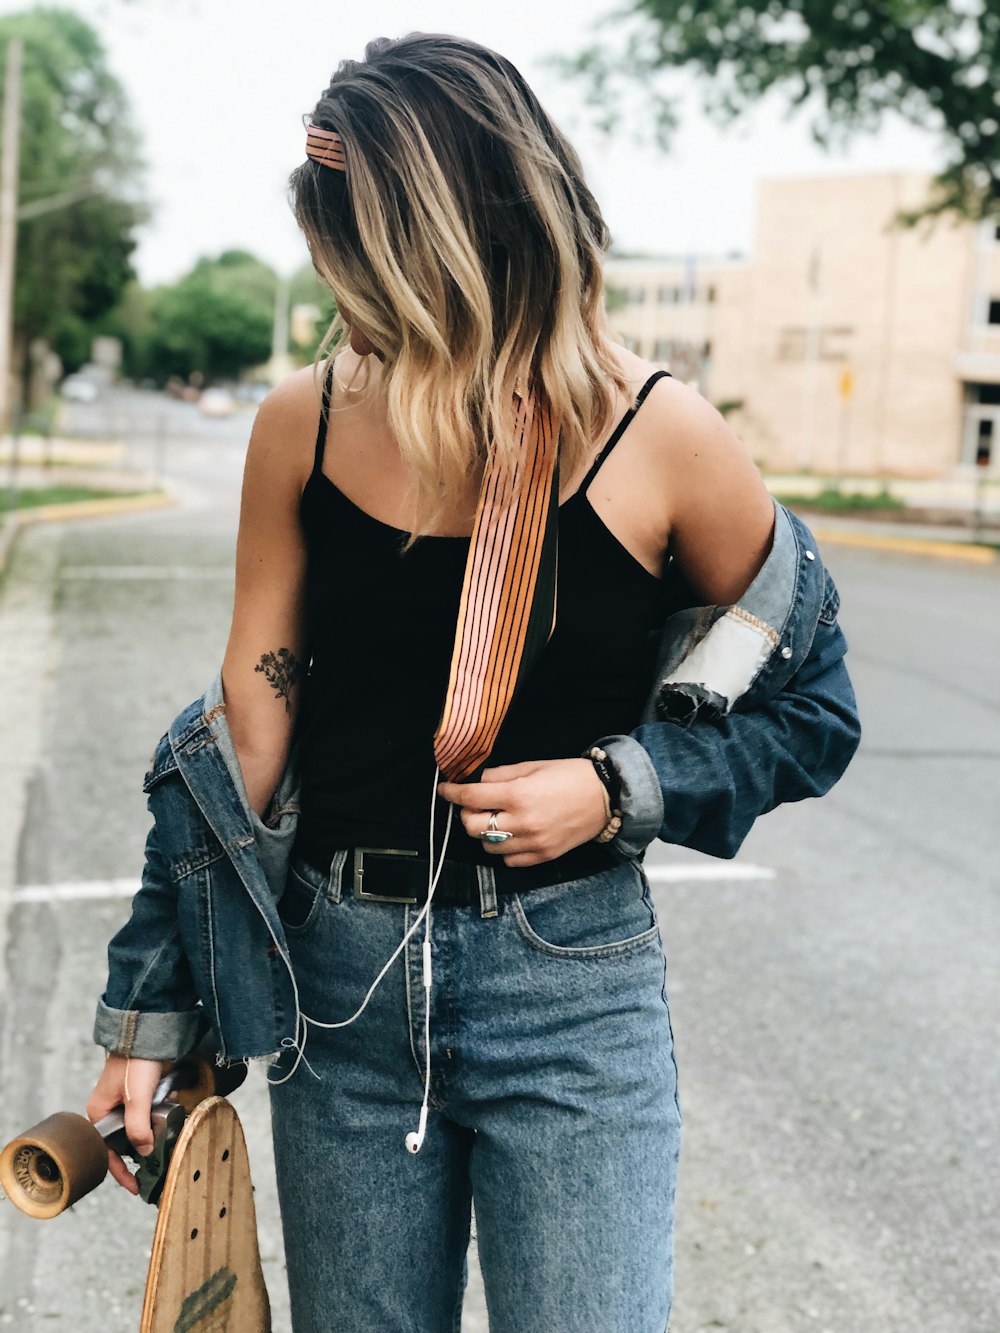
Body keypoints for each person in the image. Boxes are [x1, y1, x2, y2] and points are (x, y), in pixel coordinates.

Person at [85, 32, 860, 1333]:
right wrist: (150, 1006)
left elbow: (814, 709)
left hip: (569, 988)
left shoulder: (655, 434)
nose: (343, 285)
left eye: (353, 246)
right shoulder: (306, 424)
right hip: (340, 990)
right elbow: (238, 753)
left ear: (433, 234)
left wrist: (620, 788)